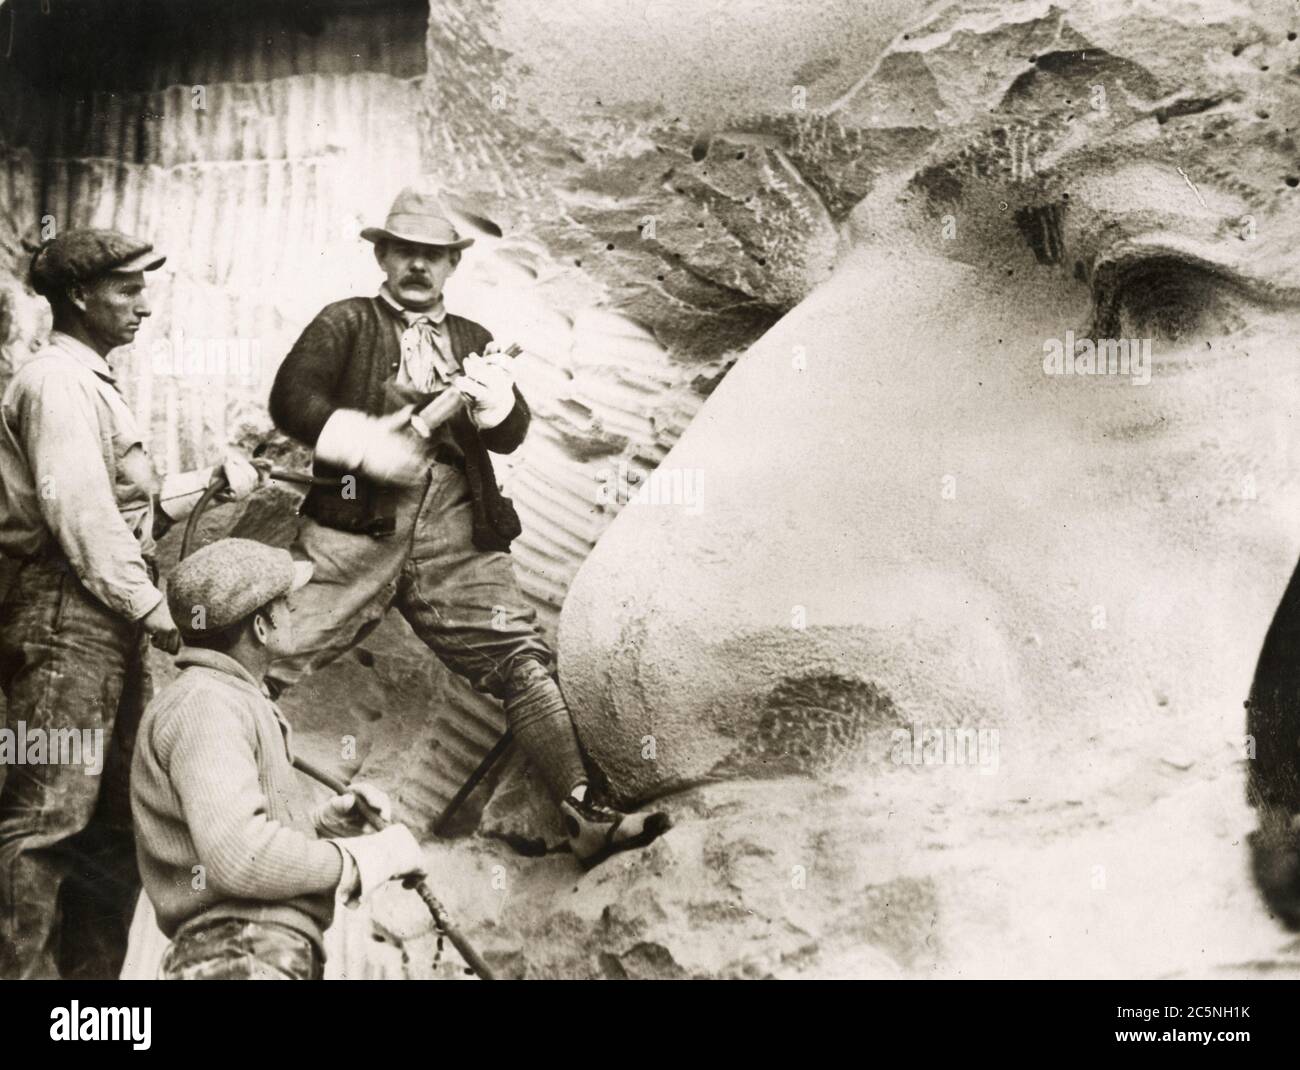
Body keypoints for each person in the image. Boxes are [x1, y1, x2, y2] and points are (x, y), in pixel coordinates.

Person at [266, 187, 670, 867]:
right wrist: (364, 444)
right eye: (405, 254)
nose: (418, 267)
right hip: (356, 525)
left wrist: (494, 404)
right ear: (383, 256)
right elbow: (292, 398)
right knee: (265, 653)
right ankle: (234, 819)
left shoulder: (474, 339)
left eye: (433, 256)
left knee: (518, 657)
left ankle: (586, 813)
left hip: (457, 527)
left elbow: (510, 437)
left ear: (453, 265)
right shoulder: (344, 322)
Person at [0, 228, 262, 979]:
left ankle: (87, 1011)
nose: (144, 306)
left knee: (114, 827)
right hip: (63, 616)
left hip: (100, 617)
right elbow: (79, 519)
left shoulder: (91, 383)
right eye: (127, 289)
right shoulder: (57, 382)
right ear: (79, 296)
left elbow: (120, 511)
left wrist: (204, 483)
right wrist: (160, 615)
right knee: (47, 820)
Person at [131, 537, 427, 980]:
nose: (294, 611)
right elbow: (240, 858)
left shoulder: (226, 698)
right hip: (242, 955)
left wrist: (319, 825)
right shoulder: (207, 704)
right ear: (260, 627)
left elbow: (225, 838)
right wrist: (365, 858)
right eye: (286, 603)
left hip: (248, 952)